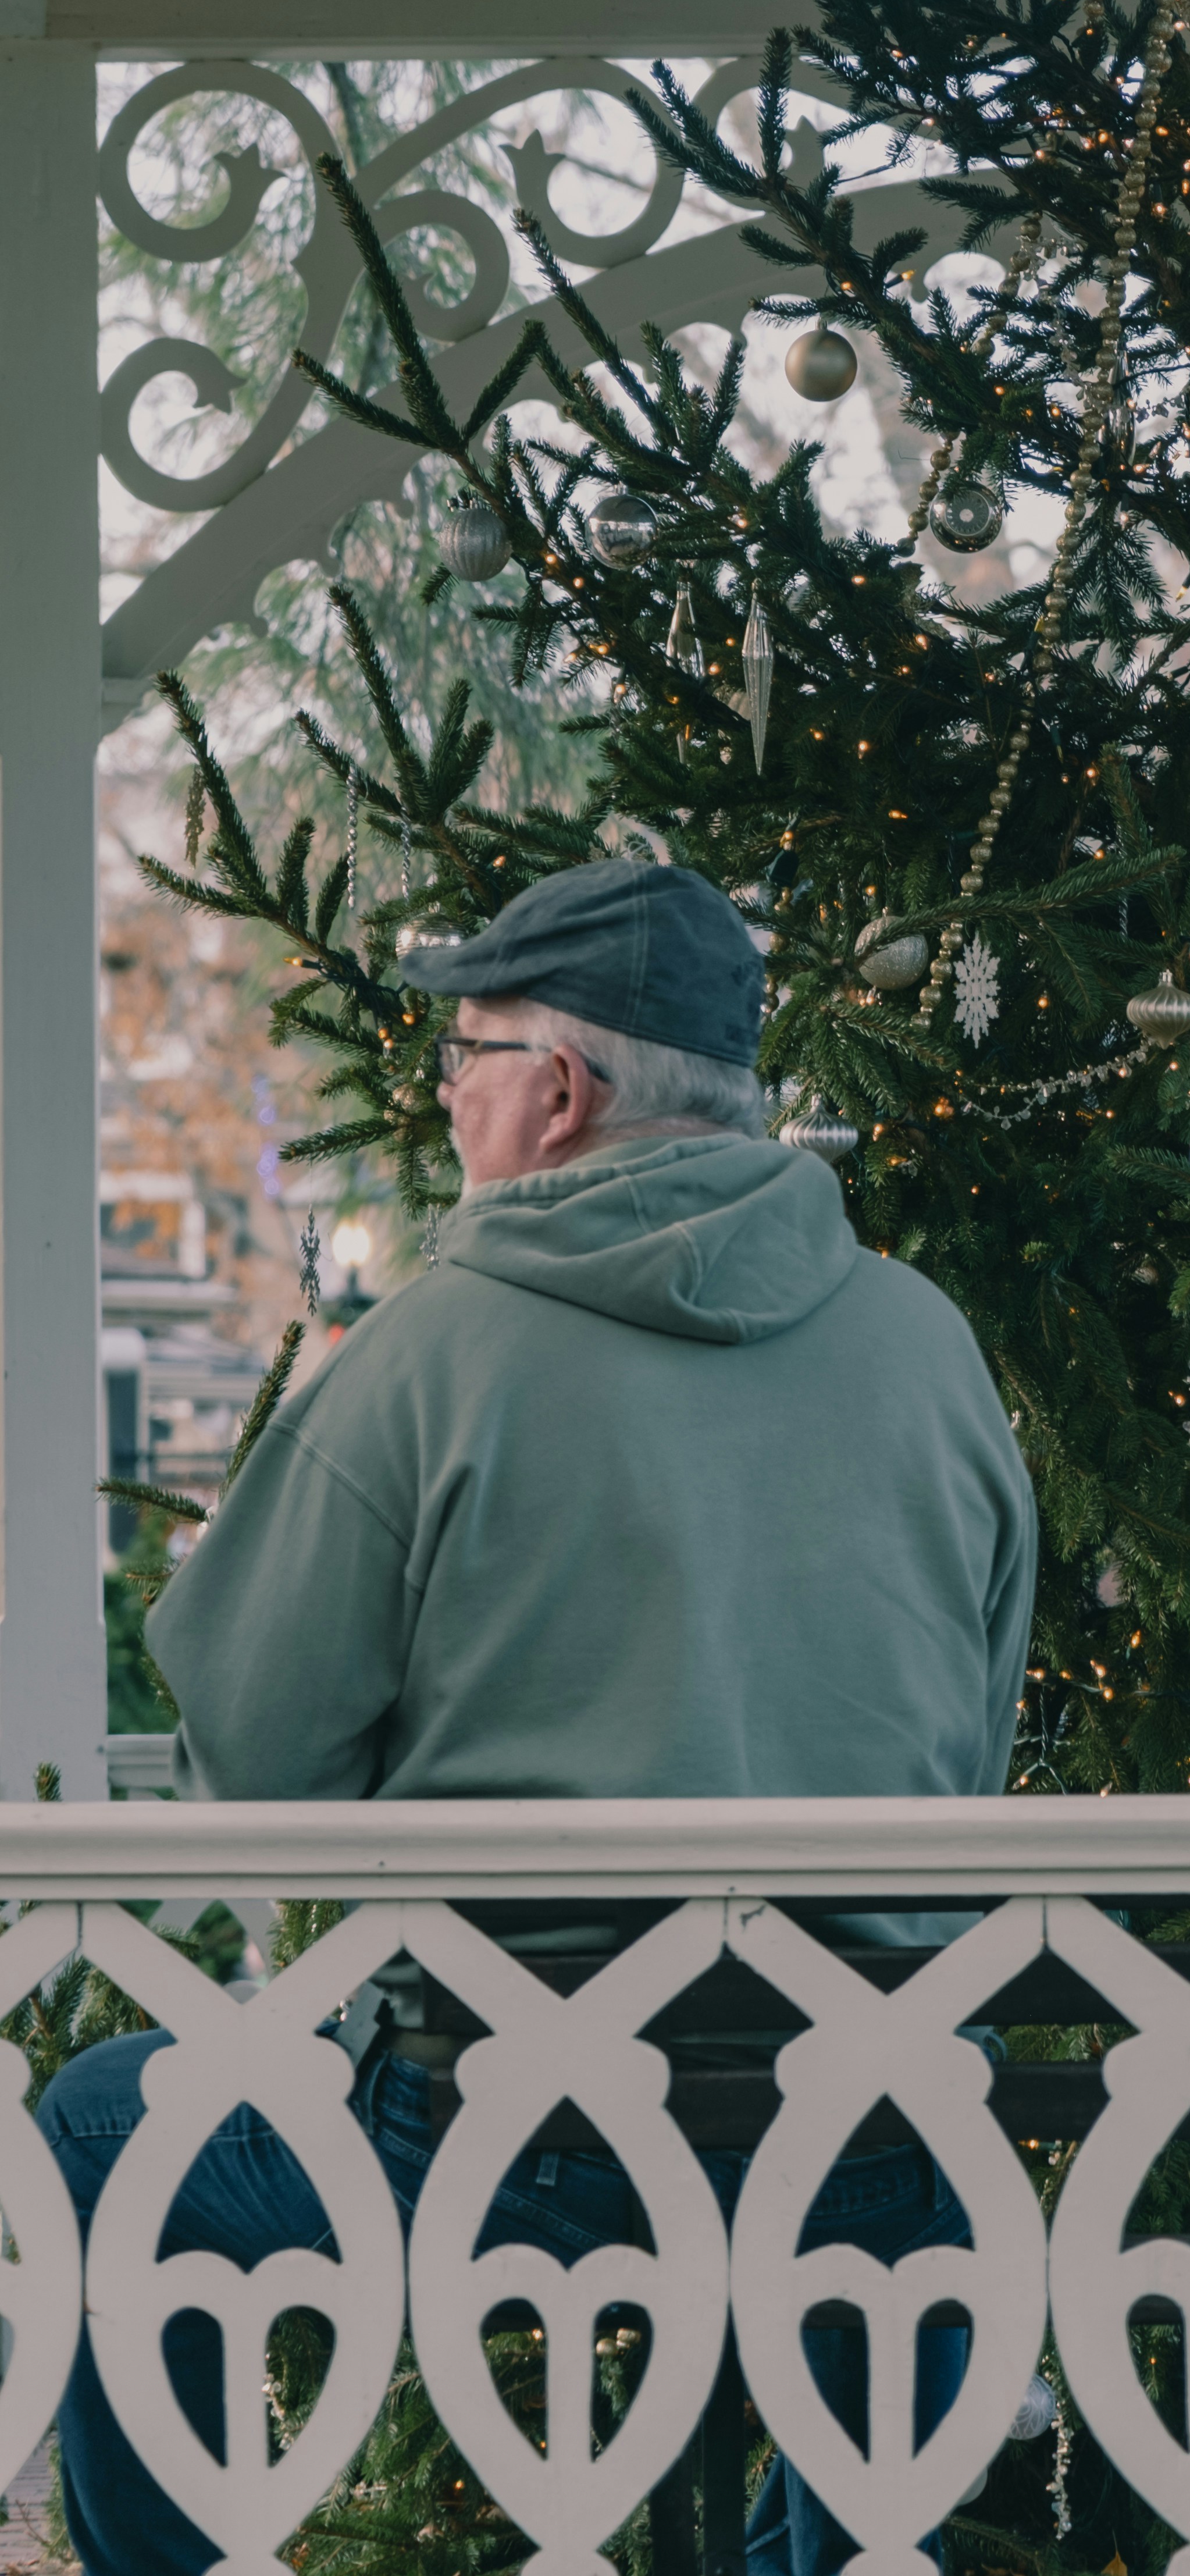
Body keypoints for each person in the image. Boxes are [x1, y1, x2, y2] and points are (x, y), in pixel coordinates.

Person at [37, 856, 1038, 2576]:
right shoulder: (930, 1350)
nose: (445, 1090)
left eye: (468, 1052)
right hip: (870, 2132)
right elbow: (975, 1736)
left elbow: (244, 1787)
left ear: (560, 1093)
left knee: (100, 2130)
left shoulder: (430, 1356)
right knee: (873, 2195)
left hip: (526, 2152)